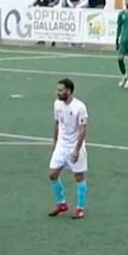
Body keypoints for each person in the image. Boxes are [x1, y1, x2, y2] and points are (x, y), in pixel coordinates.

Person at [47, 78, 88, 220]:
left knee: (78, 176)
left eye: (60, 90)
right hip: (61, 146)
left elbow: (83, 130)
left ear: (68, 91)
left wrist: (77, 149)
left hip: (74, 145)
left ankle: (80, 208)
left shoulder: (79, 107)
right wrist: (54, 143)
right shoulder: (57, 104)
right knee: (52, 174)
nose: (57, 92)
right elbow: (56, 123)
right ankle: (61, 203)